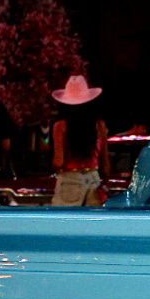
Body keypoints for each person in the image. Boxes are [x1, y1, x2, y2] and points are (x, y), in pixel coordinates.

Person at [50, 75, 109, 207]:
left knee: (65, 224)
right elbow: (105, 165)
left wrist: (53, 166)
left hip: (69, 181)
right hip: (93, 180)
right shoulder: (99, 125)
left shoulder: (60, 126)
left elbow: (59, 161)